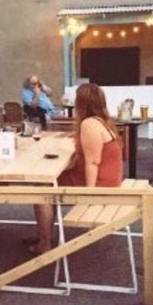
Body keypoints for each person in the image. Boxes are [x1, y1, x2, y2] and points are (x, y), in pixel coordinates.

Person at [31, 83, 122, 255]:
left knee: (41, 189)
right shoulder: (103, 121)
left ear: (82, 103)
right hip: (110, 179)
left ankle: (45, 242)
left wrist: (88, 195)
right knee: (50, 181)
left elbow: (93, 162)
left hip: (101, 184)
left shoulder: (89, 124)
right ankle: (44, 234)